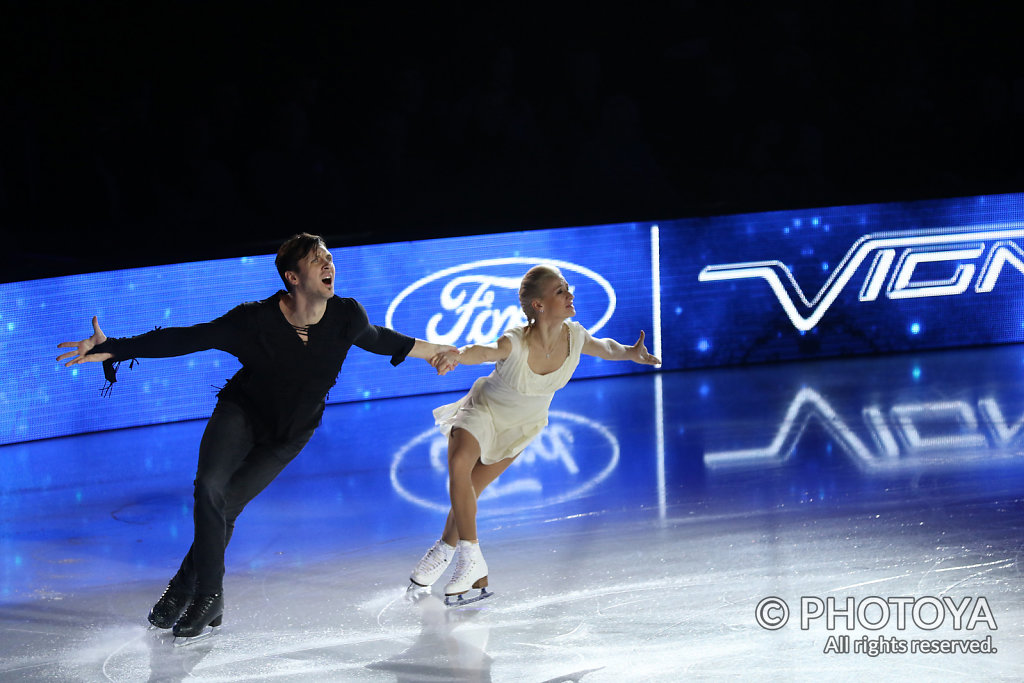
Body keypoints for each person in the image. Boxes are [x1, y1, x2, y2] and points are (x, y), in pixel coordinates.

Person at [57, 233, 455, 641]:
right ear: (293, 277)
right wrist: (115, 348)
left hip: (289, 433)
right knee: (209, 489)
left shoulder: (347, 316)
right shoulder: (254, 320)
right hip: (241, 413)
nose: (328, 264)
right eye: (317, 259)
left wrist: (437, 350)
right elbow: (189, 337)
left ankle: (183, 588)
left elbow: (378, 338)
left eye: (328, 258)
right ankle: (210, 597)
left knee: (226, 507)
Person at [408, 264, 661, 603]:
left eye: (567, 289)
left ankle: (447, 550)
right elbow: (483, 352)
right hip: (483, 410)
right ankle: (471, 558)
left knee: (470, 490)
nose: (570, 295)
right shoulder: (516, 340)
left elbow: (606, 347)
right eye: (560, 291)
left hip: (521, 426)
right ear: (539, 305)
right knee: (458, 467)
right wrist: (455, 357)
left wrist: (631, 353)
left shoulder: (576, 337)